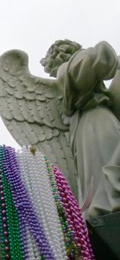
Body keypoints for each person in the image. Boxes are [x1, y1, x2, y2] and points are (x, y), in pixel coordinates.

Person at [40, 40, 120, 218]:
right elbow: (102, 58)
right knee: (106, 174)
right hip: (96, 124)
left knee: (103, 172)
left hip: (97, 125)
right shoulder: (66, 70)